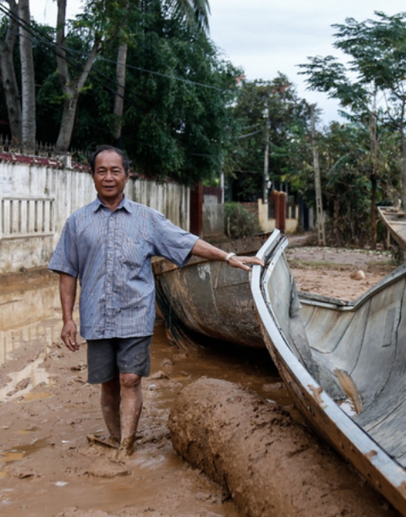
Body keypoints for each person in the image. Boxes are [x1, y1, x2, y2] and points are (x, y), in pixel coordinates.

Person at [48, 145, 264, 459]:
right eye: (101, 171)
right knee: (108, 384)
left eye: (115, 171)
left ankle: (127, 446)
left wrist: (226, 256)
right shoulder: (77, 223)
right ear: (93, 175)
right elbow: (67, 272)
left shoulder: (147, 219)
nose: (109, 177)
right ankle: (115, 436)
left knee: (130, 378)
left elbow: (186, 242)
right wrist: (67, 319)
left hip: (135, 314)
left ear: (127, 175)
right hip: (97, 316)